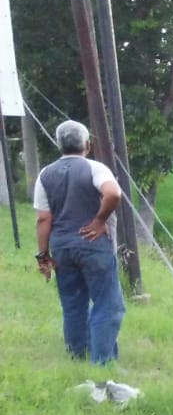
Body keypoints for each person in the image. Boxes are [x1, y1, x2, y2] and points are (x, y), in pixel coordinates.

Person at [33, 120, 126, 365]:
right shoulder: (96, 168)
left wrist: (43, 256)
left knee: (73, 304)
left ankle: (77, 357)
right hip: (94, 244)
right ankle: (103, 363)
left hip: (62, 247)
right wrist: (99, 221)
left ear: (58, 144)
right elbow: (113, 193)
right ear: (88, 144)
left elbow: (43, 219)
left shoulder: (45, 174)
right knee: (108, 304)